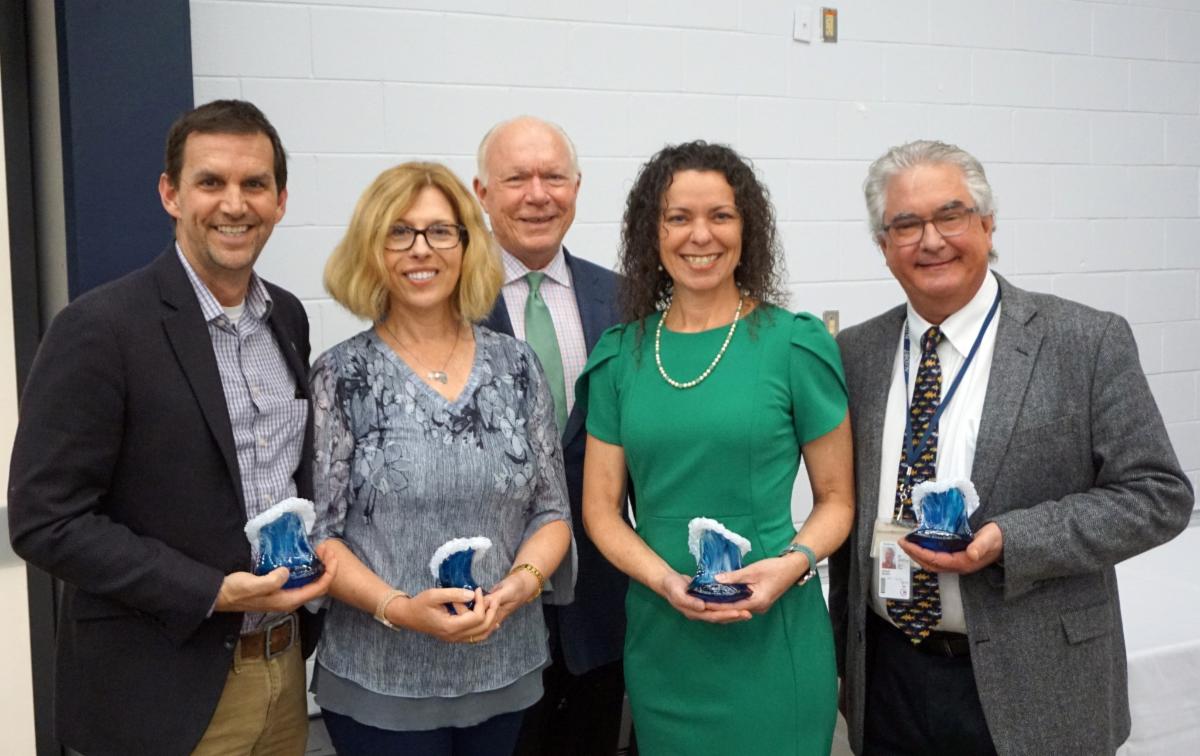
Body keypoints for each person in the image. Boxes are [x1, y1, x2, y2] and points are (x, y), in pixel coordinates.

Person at [828, 139, 1194, 755]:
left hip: (1039, 679)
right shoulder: (855, 354)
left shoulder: (1084, 340)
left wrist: (1010, 539)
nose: (932, 240)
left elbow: (1159, 496)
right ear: (883, 246)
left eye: (950, 215)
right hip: (887, 679)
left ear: (988, 223)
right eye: (907, 224)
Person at [6, 99, 336, 756]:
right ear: (170, 194)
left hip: (281, 670)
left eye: (254, 184)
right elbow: (44, 520)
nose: (233, 204)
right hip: (160, 690)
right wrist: (211, 591)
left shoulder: (288, 320)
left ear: (280, 199)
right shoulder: (101, 329)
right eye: (210, 182)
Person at [579, 141, 855, 755]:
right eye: (678, 217)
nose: (699, 235)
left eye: (720, 216)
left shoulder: (794, 345)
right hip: (663, 637)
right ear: (652, 234)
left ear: (745, 228)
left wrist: (791, 565)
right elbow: (600, 510)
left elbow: (837, 500)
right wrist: (664, 580)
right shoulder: (621, 355)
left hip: (773, 628)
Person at [310, 161, 574, 755]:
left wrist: (520, 586)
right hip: (381, 680)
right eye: (398, 232)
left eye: (438, 231)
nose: (419, 249)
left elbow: (552, 511)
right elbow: (323, 534)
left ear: (465, 244)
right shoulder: (342, 374)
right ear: (372, 250)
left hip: (504, 668)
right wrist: (400, 609)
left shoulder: (518, 366)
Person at [474, 115, 629, 756]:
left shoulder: (623, 299)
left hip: (599, 605)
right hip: (487, 607)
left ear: (577, 187)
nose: (538, 194)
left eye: (553, 177)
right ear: (482, 192)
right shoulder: (443, 299)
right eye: (516, 178)